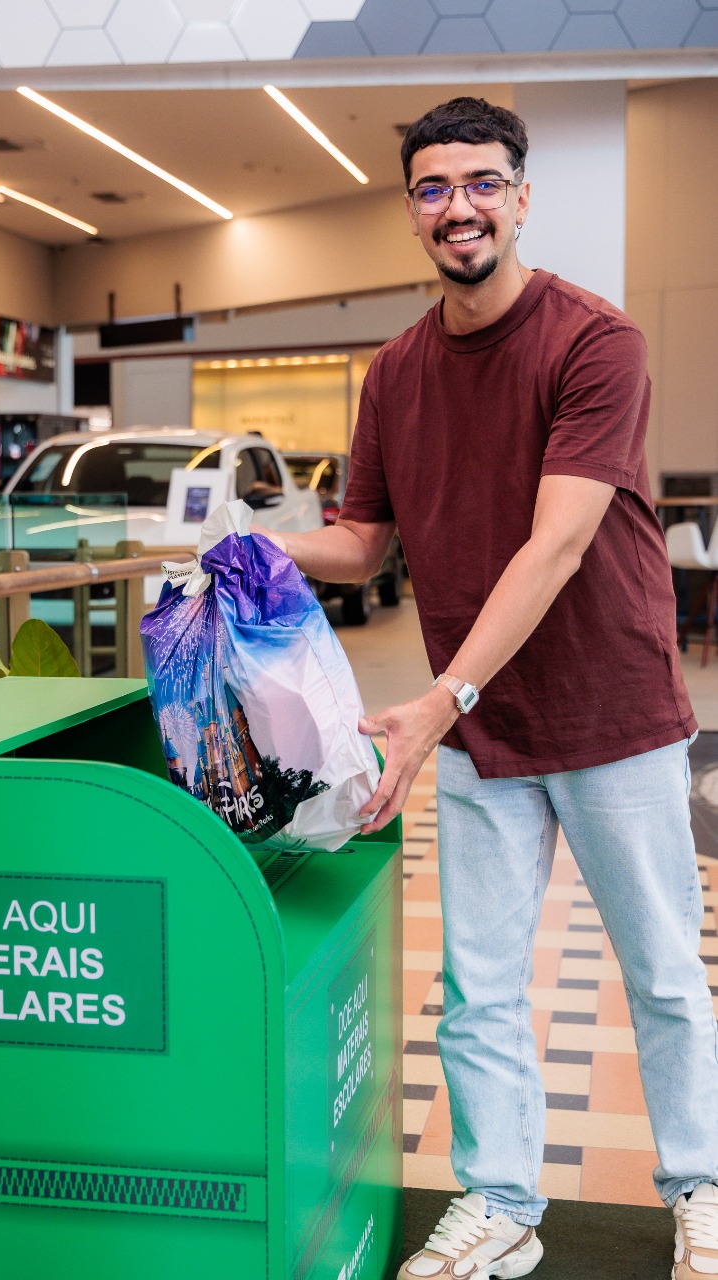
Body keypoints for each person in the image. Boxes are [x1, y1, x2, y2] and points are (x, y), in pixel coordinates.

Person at [260, 97, 718, 1280]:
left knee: (662, 967)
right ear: (410, 207)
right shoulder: (396, 371)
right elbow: (364, 541)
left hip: (608, 711)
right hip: (479, 727)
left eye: (479, 181)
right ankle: (503, 1201)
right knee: (478, 983)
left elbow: (556, 543)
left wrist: (436, 703)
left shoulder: (594, 340)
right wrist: (238, 547)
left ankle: (702, 1189)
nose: (455, 204)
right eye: (430, 186)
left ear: (518, 195)